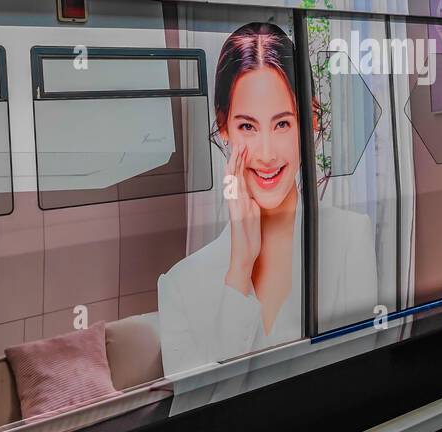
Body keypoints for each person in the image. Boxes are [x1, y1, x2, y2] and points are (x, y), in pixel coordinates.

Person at [157, 22, 378, 376]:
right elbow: (201, 412)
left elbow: (358, 374)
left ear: (309, 121)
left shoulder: (351, 236)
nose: (266, 153)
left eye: (282, 124)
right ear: (223, 126)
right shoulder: (179, 286)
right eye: (247, 126)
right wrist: (239, 269)